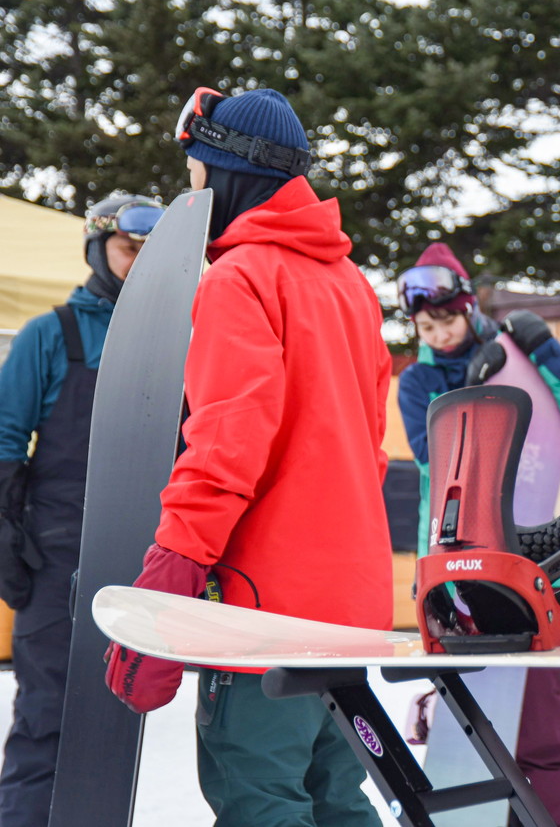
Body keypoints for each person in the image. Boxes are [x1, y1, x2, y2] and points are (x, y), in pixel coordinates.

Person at [103, 87, 392, 827]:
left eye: (196, 170)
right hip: (349, 611)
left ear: (229, 171)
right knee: (338, 800)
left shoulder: (239, 279)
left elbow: (227, 447)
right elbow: (366, 449)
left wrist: (171, 570)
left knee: (260, 802)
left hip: (265, 613)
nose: (192, 189)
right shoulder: (352, 287)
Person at [396, 243, 560, 827]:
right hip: (453, 566)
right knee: (470, 728)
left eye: (447, 319)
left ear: (468, 308)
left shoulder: (521, 355)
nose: (438, 333)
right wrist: (468, 392)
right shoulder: (417, 382)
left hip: (532, 555)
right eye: (425, 324)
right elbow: (430, 460)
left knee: (542, 730)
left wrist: (543, 349)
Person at [0, 194, 163, 827]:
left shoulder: (176, 338)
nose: (138, 266)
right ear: (99, 250)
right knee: (47, 717)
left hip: (138, 555)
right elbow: (7, 438)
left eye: (152, 258)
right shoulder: (54, 333)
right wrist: (8, 531)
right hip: (54, 551)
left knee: (114, 723)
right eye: (129, 252)